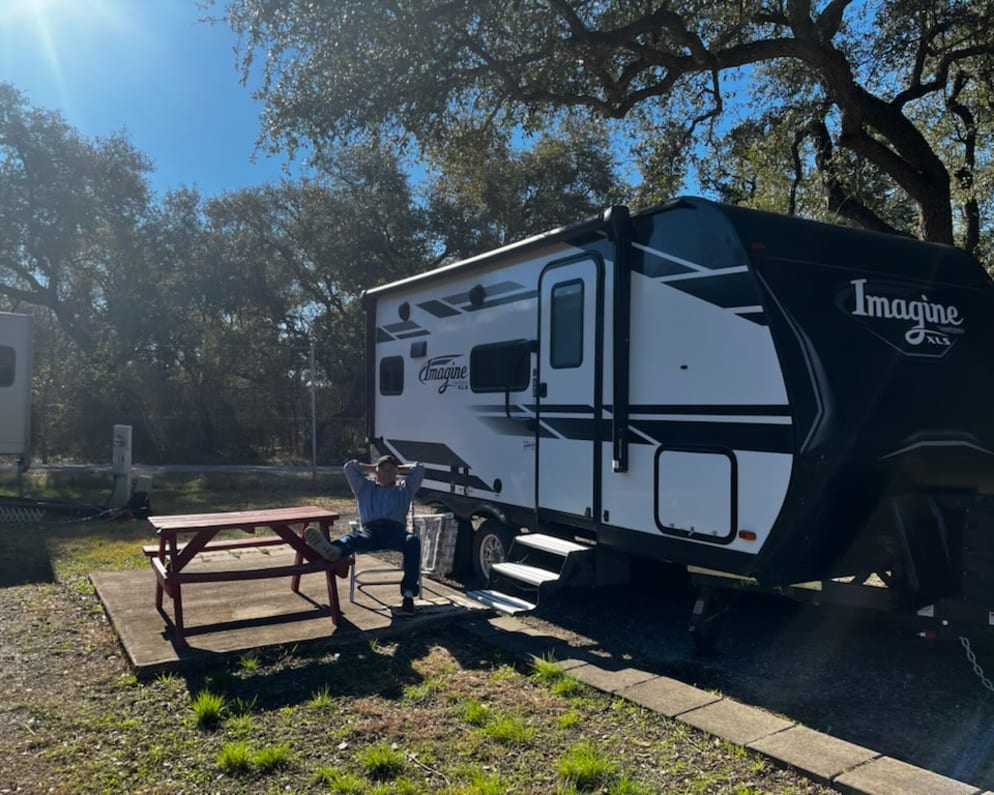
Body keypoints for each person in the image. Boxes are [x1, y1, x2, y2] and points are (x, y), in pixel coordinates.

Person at [305, 454, 425, 614]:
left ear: (396, 473)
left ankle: (408, 595)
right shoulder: (364, 487)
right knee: (352, 538)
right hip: (371, 532)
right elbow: (349, 467)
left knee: (413, 541)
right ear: (376, 472)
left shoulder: (404, 489)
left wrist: (399, 468)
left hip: (396, 532)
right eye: (383, 470)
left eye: (391, 471)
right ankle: (334, 551)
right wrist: (373, 468)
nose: (387, 473)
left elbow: (420, 469)